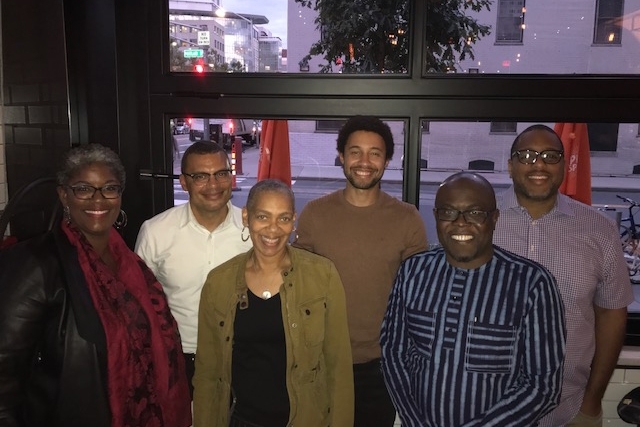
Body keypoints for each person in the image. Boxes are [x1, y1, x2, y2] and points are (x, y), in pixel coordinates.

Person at [0, 143, 191, 427]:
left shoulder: (130, 264)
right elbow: (5, 374)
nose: (98, 199)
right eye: (83, 189)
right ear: (64, 194)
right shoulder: (35, 264)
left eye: (109, 188)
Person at [381, 171, 566, 426]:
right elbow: (393, 351)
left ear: (494, 218)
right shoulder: (412, 271)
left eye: (475, 213)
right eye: (448, 212)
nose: (460, 222)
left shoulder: (532, 284)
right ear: (436, 217)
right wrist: (414, 421)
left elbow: (542, 387)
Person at [493, 124, 634, 427]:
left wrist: (592, 401)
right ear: (510, 165)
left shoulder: (600, 230)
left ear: (563, 163)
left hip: (567, 412)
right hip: (486, 411)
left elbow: (612, 317)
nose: (539, 163)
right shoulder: (478, 221)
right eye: (527, 155)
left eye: (550, 155)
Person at [294, 115, 428, 426]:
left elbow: (419, 296)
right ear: (341, 156)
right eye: (355, 151)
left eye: (375, 153)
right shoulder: (315, 213)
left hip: (381, 365)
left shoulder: (408, 218)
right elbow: (297, 285)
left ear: (388, 160)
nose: (364, 161)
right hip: (321, 360)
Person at [193, 179, 354, 427]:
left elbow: (339, 368)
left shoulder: (322, 276)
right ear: (246, 217)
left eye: (283, 218)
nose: (273, 229)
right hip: (242, 420)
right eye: (263, 217)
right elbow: (207, 372)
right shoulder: (219, 283)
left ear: (294, 220)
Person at [135, 140, 252, 397]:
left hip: (241, 356)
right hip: (178, 357)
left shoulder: (253, 230)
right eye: (200, 176)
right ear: (184, 182)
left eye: (221, 174)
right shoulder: (156, 232)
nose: (213, 185)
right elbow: (139, 305)